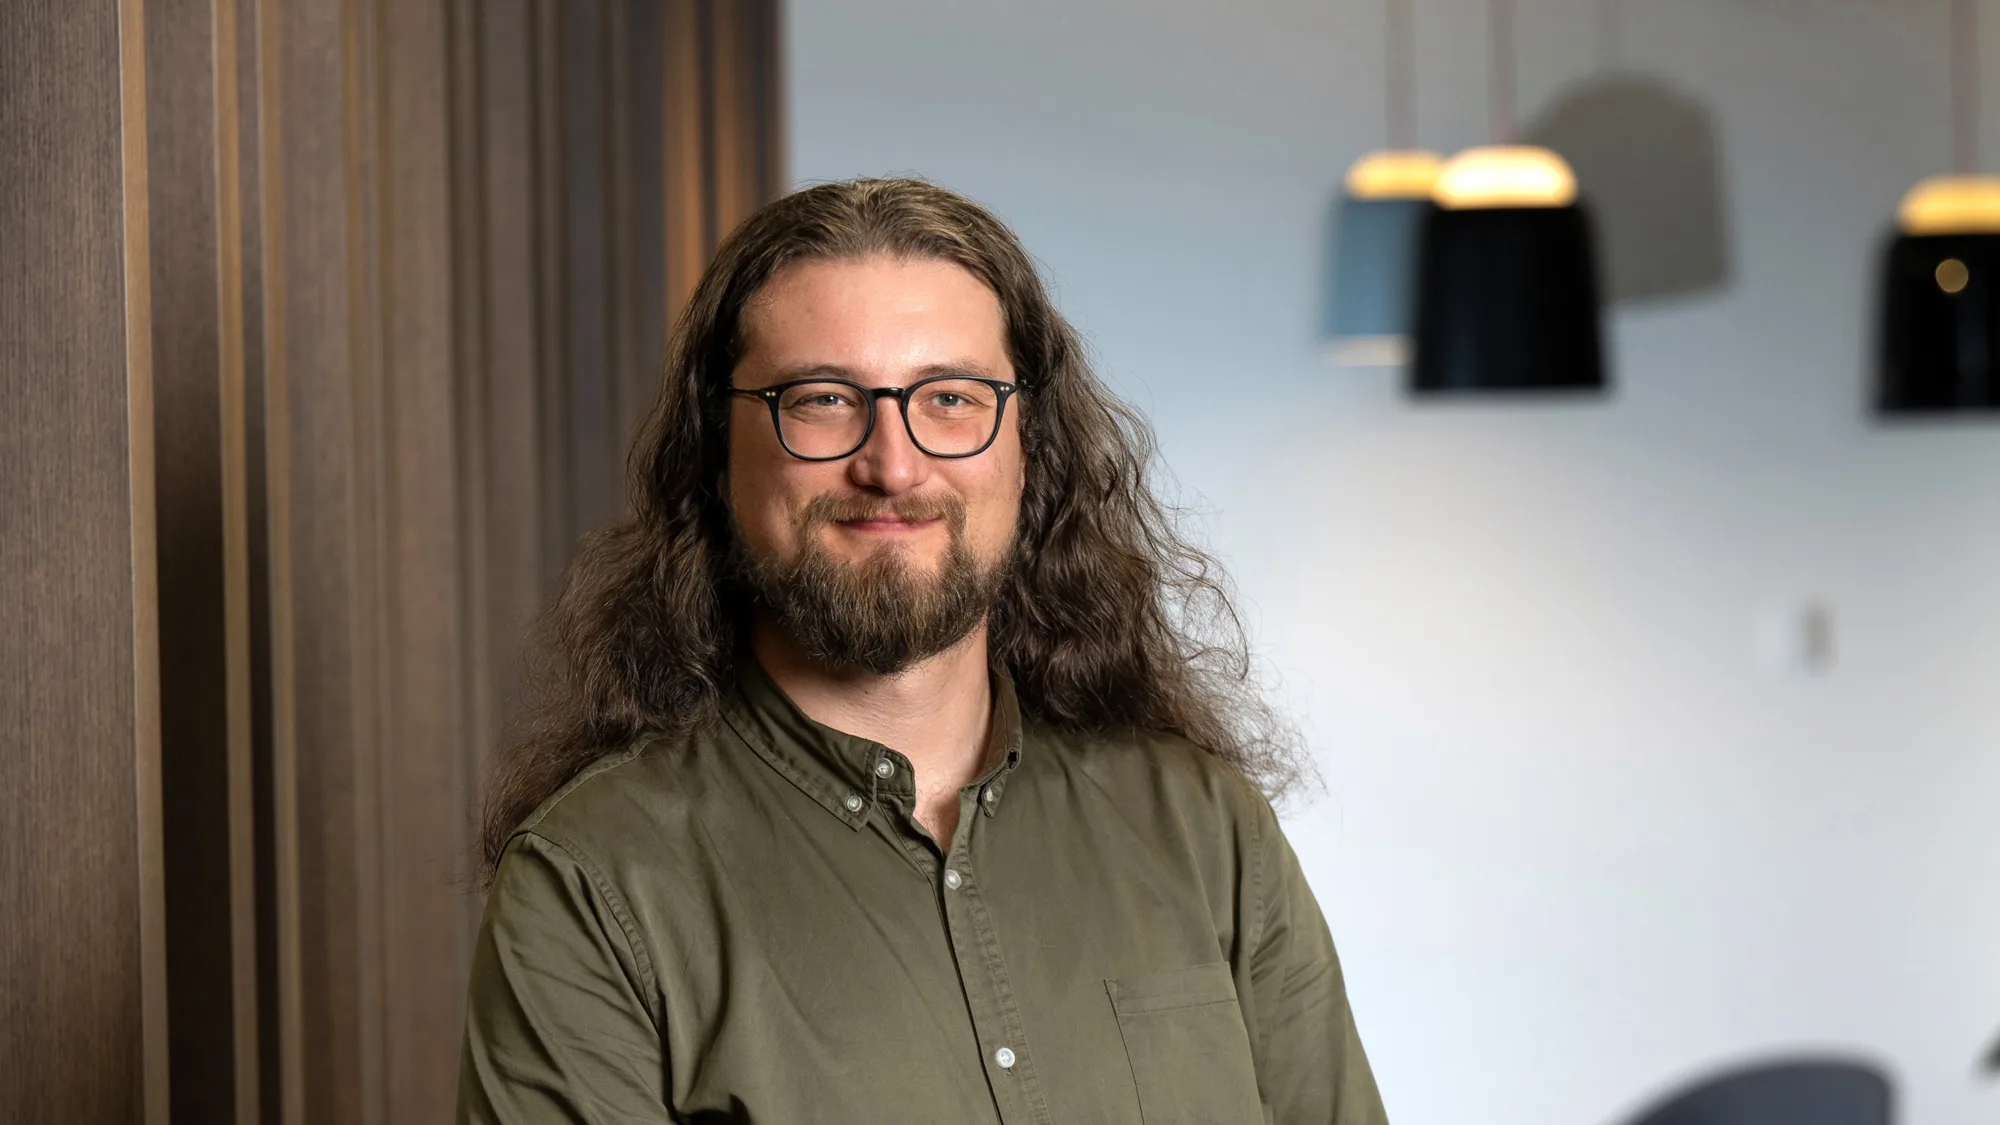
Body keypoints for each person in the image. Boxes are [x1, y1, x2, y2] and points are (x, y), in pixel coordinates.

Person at [458, 177, 1387, 1124]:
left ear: (1029, 447)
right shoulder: (590, 886)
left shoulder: (1204, 828)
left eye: (950, 397)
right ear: (717, 451)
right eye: (823, 399)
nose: (893, 464)